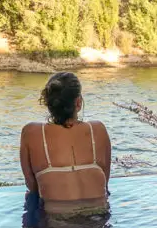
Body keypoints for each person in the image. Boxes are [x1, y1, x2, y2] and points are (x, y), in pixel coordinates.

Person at [20, 72, 112, 216]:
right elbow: (104, 184)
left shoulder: (30, 133)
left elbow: (33, 188)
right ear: (78, 102)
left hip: (55, 221)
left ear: (48, 103)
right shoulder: (98, 130)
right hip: (97, 219)